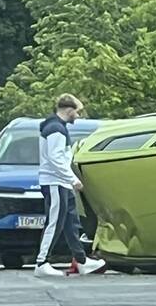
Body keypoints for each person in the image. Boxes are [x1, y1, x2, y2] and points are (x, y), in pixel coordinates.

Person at [33, 94, 106, 278]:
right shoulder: (56, 129)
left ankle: (81, 260)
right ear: (69, 110)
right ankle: (42, 262)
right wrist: (73, 179)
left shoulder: (55, 127)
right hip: (55, 182)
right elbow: (55, 158)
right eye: (77, 112)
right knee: (54, 222)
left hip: (61, 183)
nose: (78, 116)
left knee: (70, 223)